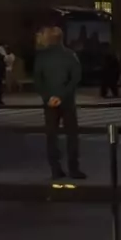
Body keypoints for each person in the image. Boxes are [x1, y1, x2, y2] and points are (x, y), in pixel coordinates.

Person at [34, 25, 85, 181]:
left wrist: (48, 97)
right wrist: (61, 96)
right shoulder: (70, 55)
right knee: (72, 135)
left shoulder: (41, 57)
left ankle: (55, 169)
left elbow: (38, 80)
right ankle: (74, 169)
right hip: (67, 101)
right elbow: (76, 78)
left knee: (51, 136)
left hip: (49, 103)